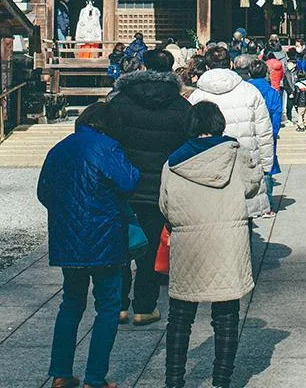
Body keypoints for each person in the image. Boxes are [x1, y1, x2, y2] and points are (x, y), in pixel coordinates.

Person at [37, 101, 140, 388]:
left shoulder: (59, 148)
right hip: (104, 235)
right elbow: (129, 181)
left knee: (70, 303)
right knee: (107, 306)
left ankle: (60, 372)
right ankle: (95, 377)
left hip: (69, 239)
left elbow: (43, 191)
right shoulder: (108, 147)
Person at [158, 102, 259, 388]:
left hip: (188, 245)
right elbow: (252, 186)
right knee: (226, 316)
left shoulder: (174, 162)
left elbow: (164, 205)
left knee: (180, 318)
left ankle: (174, 379)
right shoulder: (235, 155)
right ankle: (222, 380)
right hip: (228, 242)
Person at [108, 48, 191, 327]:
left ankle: (118, 305)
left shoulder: (120, 102)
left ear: (143, 67)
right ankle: (145, 306)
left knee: (120, 243)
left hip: (124, 183)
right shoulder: (181, 106)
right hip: (160, 186)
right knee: (151, 246)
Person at [188, 48, 272, 218]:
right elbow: (264, 132)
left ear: (207, 66)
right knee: (244, 217)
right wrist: (266, 164)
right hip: (244, 162)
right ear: (231, 64)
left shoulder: (196, 96)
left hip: (208, 164)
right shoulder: (250, 91)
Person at [242, 58, 282, 210]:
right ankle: (268, 203)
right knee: (267, 165)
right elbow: (277, 113)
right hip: (267, 131)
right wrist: (274, 132)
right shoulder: (272, 92)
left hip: (247, 130)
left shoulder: (245, 90)